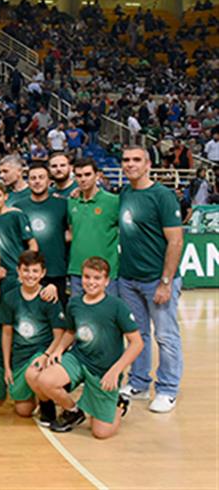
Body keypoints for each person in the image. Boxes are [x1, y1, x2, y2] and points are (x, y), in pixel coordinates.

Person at [38, 256, 143, 438]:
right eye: (87, 277)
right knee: (45, 380)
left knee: (101, 433)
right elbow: (71, 331)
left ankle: (118, 404)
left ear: (106, 281)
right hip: (79, 359)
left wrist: (116, 370)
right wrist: (58, 349)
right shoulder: (75, 303)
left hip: (104, 370)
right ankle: (73, 410)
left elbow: (137, 343)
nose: (91, 282)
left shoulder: (117, 306)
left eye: (97, 278)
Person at [116, 146, 184, 414]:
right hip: (129, 279)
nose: (130, 164)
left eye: (136, 160)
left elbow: (176, 241)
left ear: (148, 165)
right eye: (126, 160)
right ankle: (140, 382)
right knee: (138, 335)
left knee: (166, 336)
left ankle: (167, 389)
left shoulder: (163, 196)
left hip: (157, 280)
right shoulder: (124, 194)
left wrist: (166, 282)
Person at [1, 251, 67, 424]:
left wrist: (46, 355)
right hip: (20, 356)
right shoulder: (10, 298)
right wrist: (7, 366)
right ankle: (38, 394)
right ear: (18, 271)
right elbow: (7, 333)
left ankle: (47, 403)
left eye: (35, 271)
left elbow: (59, 335)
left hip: (41, 352)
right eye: (26, 270)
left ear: (43, 273)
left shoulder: (48, 297)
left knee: (35, 371)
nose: (30, 275)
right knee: (23, 411)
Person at [13, 162, 70, 303]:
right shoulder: (18, 207)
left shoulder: (63, 204)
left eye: (41, 177)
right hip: (28, 272)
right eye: (33, 178)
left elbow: (72, 232)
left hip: (56, 270)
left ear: (49, 181)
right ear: (28, 181)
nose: (37, 181)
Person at [67, 158, 120, 298]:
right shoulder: (72, 202)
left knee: (107, 316)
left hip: (105, 273)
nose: (83, 179)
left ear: (97, 175)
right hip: (78, 271)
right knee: (78, 317)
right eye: (78, 175)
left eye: (87, 174)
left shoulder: (113, 201)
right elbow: (71, 230)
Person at [0, 182, 37, 275]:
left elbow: (33, 245)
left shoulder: (16, 215)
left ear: (6, 197)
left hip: (16, 268)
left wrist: (26, 267)